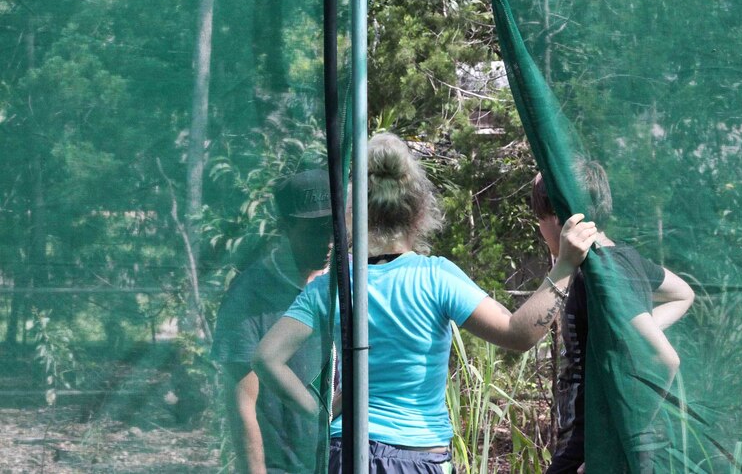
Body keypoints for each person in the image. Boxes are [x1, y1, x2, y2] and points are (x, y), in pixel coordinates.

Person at [253, 132, 597, 474]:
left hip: (346, 452)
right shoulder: (436, 277)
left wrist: (321, 411)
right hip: (417, 455)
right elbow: (518, 333)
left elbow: (267, 358)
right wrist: (566, 264)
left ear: (352, 214)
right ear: (418, 210)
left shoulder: (333, 286)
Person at [532, 163, 695, 474]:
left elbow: (666, 359)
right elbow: (683, 294)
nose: (539, 228)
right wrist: (623, 334)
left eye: (539, 217)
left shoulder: (601, 274)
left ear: (559, 217)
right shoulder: (623, 258)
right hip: (597, 446)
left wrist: (611, 448)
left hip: (594, 447)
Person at [211, 168, 333, 474]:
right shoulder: (248, 297)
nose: (329, 241)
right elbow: (242, 408)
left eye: (334, 228)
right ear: (285, 227)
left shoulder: (348, 284)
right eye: (316, 230)